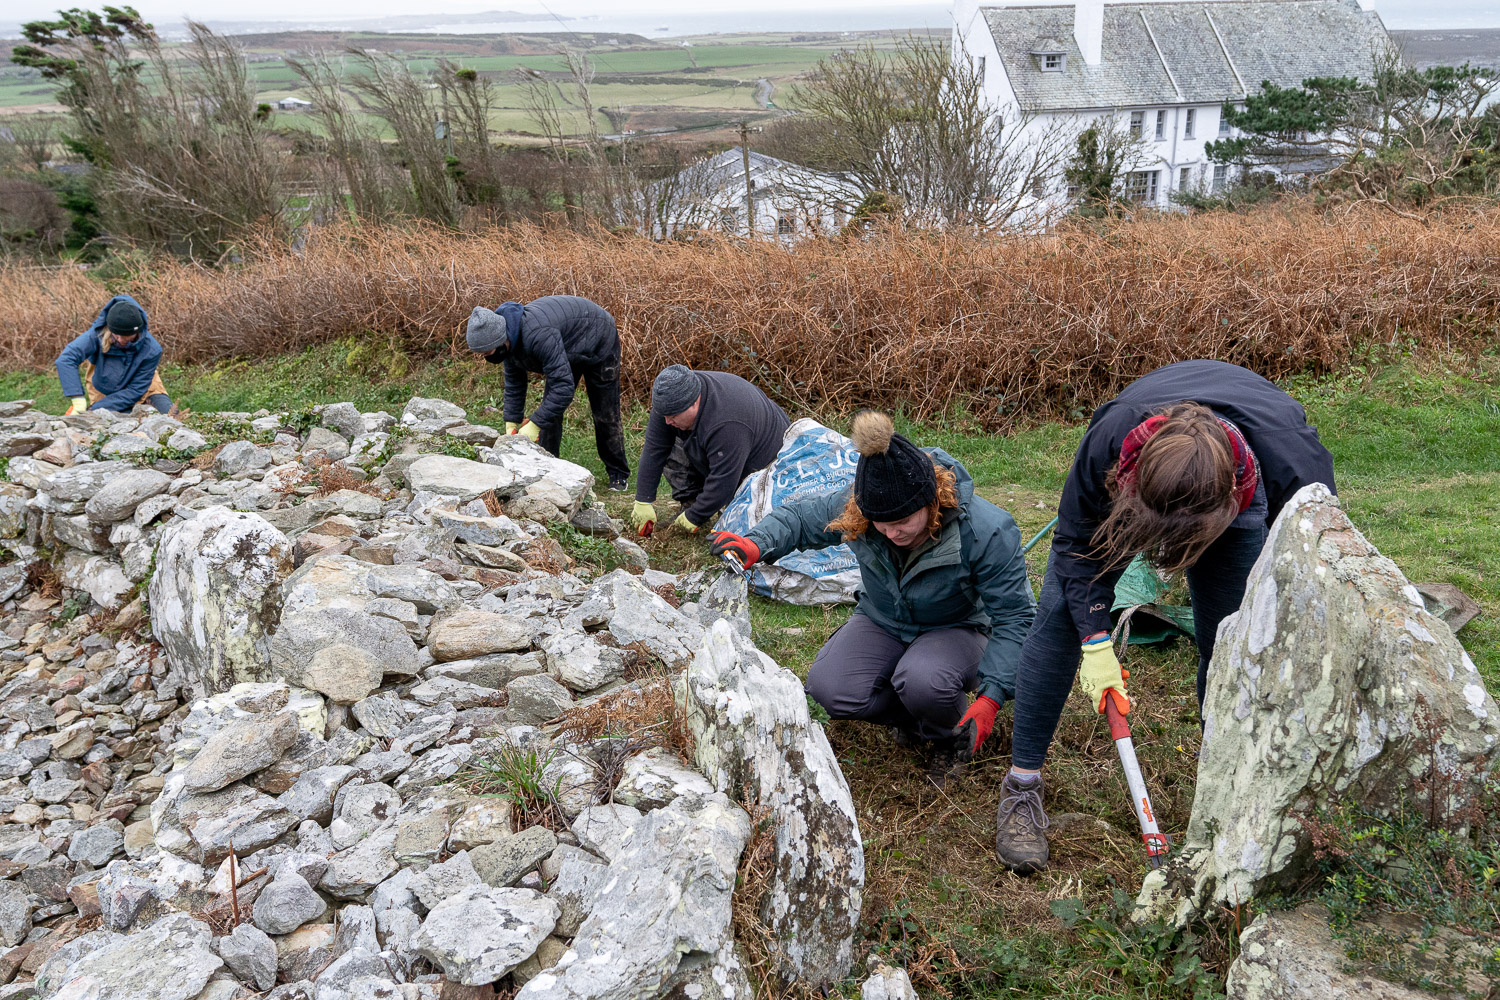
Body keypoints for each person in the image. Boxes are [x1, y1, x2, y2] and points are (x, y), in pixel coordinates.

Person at [993, 359, 1337, 874]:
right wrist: (1093, 640)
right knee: (1062, 614)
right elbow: (1073, 548)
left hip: (1247, 484)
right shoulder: (1113, 441)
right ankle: (1021, 789)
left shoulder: (1299, 474)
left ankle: (1223, 787)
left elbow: (1316, 576)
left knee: (1232, 642)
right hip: (1142, 475)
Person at [709, 411, 1035, 785]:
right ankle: (912, 717)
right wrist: (757, 542)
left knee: (924, 680)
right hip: (883, 619)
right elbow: (801, 518)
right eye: (882, 523)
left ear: (932, 502)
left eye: (903, 522)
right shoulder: (862, 509)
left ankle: (947, 737)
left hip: (958, 627)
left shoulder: (986, 530)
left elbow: (1016, 618)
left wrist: (991, 698)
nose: (892, 532)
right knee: (831, 688)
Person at [465, 294, 630, 491]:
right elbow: (515, 383)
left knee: (604, 411)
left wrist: (534, 425)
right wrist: (511, 422)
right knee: (550, 410)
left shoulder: (538, 335)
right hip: (567, 344)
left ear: (501, 340)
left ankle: (618, 474)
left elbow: (564, 387)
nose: (484, 357)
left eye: (486, 352)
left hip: (598, 335)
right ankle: (549, 467)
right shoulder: (508, 339)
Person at [630, 365, 790, 535]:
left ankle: (709, 508)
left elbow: (724, 478)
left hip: (766, 460)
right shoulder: (670, 401)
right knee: (675, 441)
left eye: (673, 416)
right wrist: (643, 499)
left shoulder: (728, 423)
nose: (667, 421)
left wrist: (695, 517)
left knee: (743, 521)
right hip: (722, 443)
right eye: (664, 415)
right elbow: (655, 449)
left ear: (693, 402)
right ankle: (692, 502)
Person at [55, 294, 175, 415]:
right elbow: (66, 359)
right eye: (116, 335)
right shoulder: (95, 335)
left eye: (127, 336)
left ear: (138, 332)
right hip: (103, 387)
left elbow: (135, 390)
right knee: (104, 423)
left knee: (171, 417)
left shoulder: (152, 349)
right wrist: (78, 400)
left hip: (144, 388)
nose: (121, 340)